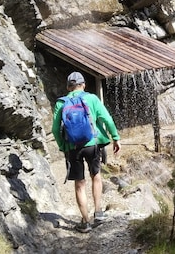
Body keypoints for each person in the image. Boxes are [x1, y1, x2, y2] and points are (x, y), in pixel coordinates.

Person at [52, 71, 121, 233]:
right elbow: (107, 119)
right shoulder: (91, 99)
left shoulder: (61, 103)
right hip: (93, 144)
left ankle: (85, 222)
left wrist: (63, 146)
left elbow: (55, 129)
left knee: (79, 184)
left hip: (72, 147)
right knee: (96, 176)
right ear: (83, 85)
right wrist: (116, 137)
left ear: (68, 87)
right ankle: (98, 212)